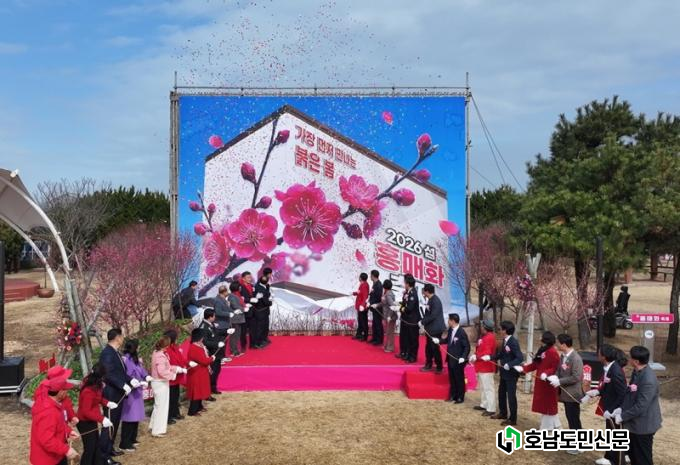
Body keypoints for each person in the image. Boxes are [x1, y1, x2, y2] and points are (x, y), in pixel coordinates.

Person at [612, 346, 662, 465]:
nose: (628, 359)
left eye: (630, 357)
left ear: (636, 361)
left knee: (643, 458)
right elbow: (630, 393)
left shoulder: (648, 379)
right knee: (633, 455)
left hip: (643, 425)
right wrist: (621, 409)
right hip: (633, 423)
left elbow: (641, 406)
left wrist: (623, 416)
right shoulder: (637, 372)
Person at [584, 344, 628, 465]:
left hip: (615, 410)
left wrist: (613, 410)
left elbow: (622, 394)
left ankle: (617, 460)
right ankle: (609, 457)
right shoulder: (609, 368)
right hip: (609, 407)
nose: (597, 355)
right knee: (610, 433)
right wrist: (597, 392)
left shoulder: (616, 371)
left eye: (599, 353)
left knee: (616, 435)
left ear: (604, 356)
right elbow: (607, 386)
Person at [99, 328, 136, 461]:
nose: (123, 338)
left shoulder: (115, 352)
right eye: (121, 336)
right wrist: (122, 385)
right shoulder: (107, 353)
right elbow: (108, 374)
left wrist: (130, 380)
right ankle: (103, 456)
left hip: (117, 393)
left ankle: (109, 449)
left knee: (114, 422)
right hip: (111, 393)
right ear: (117, 338)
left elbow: (119, 372)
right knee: (109, 424)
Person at [30, 376, 79, 465]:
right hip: (47, 460)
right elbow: (47, 440)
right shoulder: (48, 412)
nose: (67, 392)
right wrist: (66, 450)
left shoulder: (54, 405)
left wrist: (68, 432)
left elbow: (59, 424)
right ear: (60, 392)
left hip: (56, 455)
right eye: (65, 390)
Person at [516, 331, 561, 430]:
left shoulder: (553, 352)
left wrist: (547, 373)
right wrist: (524, 369)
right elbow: (536, 364)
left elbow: (555, 367)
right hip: (541, 382)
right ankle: (555, 426)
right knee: (545, 406)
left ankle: (546, 428)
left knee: (548, 406)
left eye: (542, 337)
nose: (540, 338)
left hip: (548, 383)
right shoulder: (543, 350)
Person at [77, 363, 117, 465]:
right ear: (101, 377)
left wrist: (107, 403)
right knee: (90, 448)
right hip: (84, 422)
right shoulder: (88, 390)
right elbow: (86, 411)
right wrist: (102, 419)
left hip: (91, 420)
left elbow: (97, 398)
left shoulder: (95, 385)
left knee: (95, 446)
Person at [119, 339, 152, 452]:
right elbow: (127, 375)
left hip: (137, 391)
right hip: (131, 392)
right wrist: (138, 381)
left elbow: (141, 369)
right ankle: (125, 442)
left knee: (136, 416)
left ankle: (132, 438)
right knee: (129, 417)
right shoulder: (125, 359)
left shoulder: (134, 358)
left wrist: (146, 376)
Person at [550, 334, 584, 441]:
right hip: (565, 394)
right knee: (569, 418)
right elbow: (559, 370)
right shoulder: (563, 356)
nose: (556, 345)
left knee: (574, 419)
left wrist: (559, 381)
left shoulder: (576, 358)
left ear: (564, 345)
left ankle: (579, 442)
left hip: (572, 394)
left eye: (558, 343)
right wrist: (555, 376)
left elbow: (576, 377)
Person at [150, 335, 185, 437]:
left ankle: (153, 425)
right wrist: (173, 375)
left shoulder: (157, 353)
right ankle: (157, 430)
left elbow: (167, 367)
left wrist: (177, 369)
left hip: (159, 382)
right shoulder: (160, 356)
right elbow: (162, 371)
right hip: (160, 383)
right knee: (161, 407)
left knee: (158, 406)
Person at [490, 320, 523, 426]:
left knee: (511, 396)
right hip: (504, 373)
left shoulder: (513, 342)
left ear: (505, 330)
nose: (499, 331)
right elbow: (501, 355)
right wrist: (490, 357)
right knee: (501, 393)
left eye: (500, 329)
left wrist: (510, 364)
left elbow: (520, 358)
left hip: (511, 374)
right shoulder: (505, 341)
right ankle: (503, 413)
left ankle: (513, 419)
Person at [433, 313, 469, 402]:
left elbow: (467, 346)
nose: (448, 321)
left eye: (449, 320)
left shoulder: (461, 332)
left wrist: (463, 357)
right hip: (450, 359)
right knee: (452, 378)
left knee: (459, 379)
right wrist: (439, 341)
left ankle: (460, 397)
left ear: (453, 321)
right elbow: (447, 340)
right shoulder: (450, 330)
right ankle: (453, 395)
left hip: (458, 360)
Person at [469, 319, 497, 416]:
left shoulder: (490, 337)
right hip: (481, 365)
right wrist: (475, 354)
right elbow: (480, 349)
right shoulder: (484, 337)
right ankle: (484, 404)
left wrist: (477, 356)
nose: (480, 327)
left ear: (485, 327)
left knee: (488, 388)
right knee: (483, 386)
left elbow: (487, 352)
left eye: (481, 326)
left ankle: (491, 408)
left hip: (487, 366)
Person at [186, 328, 215, 416]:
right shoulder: (195, 348)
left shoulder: (197, 346)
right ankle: (192, 411)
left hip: (200, 372)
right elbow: (204, 361)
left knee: (200, 391)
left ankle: (199, 406)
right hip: (196, 373)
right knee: (196, 392)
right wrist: (212, 358)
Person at [199, 308, 228, 396]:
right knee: (211, 372)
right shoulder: (203, 327)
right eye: (214, 316)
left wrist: (227, 331)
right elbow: (205, 342)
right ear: (210, 317)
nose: (215, 317)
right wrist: (216, 344)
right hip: (211, 353)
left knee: (217, 371)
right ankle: (207, 392)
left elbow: (217, 333)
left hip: (217, 352)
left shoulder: (211, 324)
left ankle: (213, 388)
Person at [419, 283, 445, 374]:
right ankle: (428, 364)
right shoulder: (430, 300)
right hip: (430, 328)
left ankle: (439, 366)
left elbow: (433, 315)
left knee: (435, 348)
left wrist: (423, 322)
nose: (423, 293)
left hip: (436, 329)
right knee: (429, 348)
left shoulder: (435, 301)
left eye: (424, 291)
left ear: (427, 291)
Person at [164, 329, 187, 423]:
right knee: (170, 398)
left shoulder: (175, 347)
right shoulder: (166, 349)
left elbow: (181, 358)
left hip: (176, 376)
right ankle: (168, 416)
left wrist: (187, 363)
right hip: (170, 377)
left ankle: (175, 412)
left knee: (175, 396)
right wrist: (177, 369)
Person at [398, 274, 420, 363]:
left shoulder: (413, 293)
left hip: (412, 320)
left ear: (408, 284)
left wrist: (401, 308)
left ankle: (413, 356)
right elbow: (404, 303)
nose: (404, 284)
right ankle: (405, 353)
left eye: (405, 283)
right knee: (405, 337)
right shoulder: (407, 292)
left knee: (412, 339)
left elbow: (409, 308)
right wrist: (400, 306)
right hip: (406, 319)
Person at [214, 284, 236, 359]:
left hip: (225, 323)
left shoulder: (223, 299)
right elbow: (218, 312)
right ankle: (220, 357)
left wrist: (233, 311)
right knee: (221, 341)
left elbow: (227, 309)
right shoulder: (217, 300)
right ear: (224, 292)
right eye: (227, 291)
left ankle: (223, 356)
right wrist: (228, 314)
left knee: (224, 341)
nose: (228, 293)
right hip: (221, 324)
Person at [253, 268, 273, 348]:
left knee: (265, 325)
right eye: (270, 274)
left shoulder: (265, 284)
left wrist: (269, 293)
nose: (271, 275)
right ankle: (258, 342)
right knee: (260, 327)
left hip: (265, 310)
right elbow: (265, 300)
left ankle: (264, 338)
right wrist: (271, 302)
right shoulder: (259, 286)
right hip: (260, 310)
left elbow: (266, 294)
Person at [227, 281, 247, 357]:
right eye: (240, 286)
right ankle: (234, 351)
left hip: (238, 318)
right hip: (235, 319)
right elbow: (235, 306)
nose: (241, 288)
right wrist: (244, 308)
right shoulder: (232, 296)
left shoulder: (237, 295)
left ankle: (235, 350)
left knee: (237, 335)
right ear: (237, 287)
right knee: (234, 335)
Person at [239, 271, 256, 350]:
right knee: (243, 330)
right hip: (245, 311)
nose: (250, 279)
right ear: (243, 278)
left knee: (253, 329)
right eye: (248, 277)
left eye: (250, 277)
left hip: (253, 311)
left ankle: (252, 344)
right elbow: (240, 299)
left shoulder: (252, 286)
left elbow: (254, 296)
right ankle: (243, 345)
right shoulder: (240, 287)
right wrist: (249, 300)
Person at [380, 279, 397, 353]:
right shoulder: (386, 293)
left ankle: (390, 347)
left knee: (390, 332)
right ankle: (387, 345)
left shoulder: (388, 294)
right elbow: (383, 303)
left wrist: (389, 316)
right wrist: (376, 305)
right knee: (387, 331)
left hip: (390, 317)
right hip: (387, 315)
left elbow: (392, 306)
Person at [368, 270, 384, 345]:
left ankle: (379, 340)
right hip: (373, 307)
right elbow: (372, 295)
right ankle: (374, 338)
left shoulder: (379, 285)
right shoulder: (374, 284)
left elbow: (378, 297)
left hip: (377, 307)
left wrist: (373, 303)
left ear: (373, 276)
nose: (370, 277)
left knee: (378, 324)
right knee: (374, 323)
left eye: (371, 275)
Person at [352, 272, 370, 341]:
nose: (358, 278)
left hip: (362, 307)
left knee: (363, 321)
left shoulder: (365, 285)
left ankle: (364, 336)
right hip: (360, 306)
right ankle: (359, 335)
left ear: (361, 278)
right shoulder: (362, 284)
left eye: (359, 277)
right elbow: (359, 292)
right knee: (360, 321)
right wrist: (353, 293)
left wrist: (362, 305)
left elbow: (365, 296)